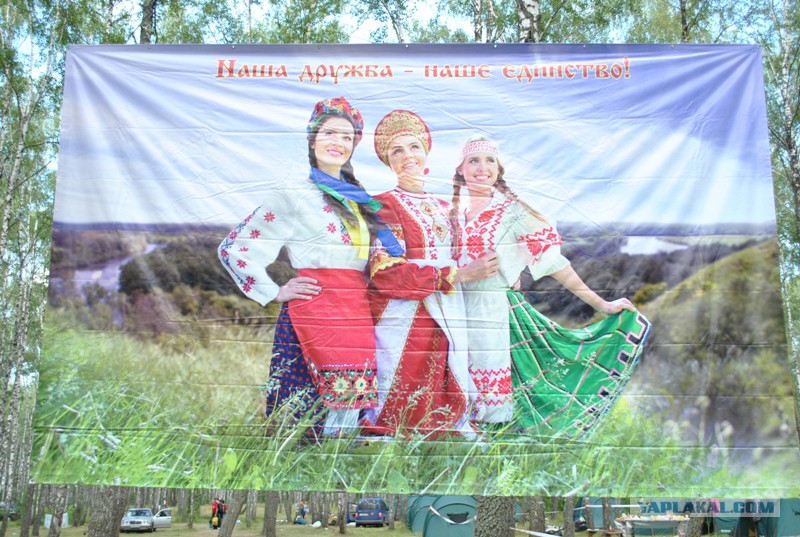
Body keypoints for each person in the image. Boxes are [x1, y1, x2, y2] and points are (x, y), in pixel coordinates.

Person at [218, 97, 403, 440]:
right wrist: (275, 290)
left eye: (346, 137)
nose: (338, 142)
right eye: (329, 133)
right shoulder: (294, 193)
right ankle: (302, 460)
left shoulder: (358, 198)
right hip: (314, 308)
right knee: (306, 409)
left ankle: (340, 458)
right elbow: (236, 247)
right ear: (312, 138)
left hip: (355, 309)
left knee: (350, 402)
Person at [450, 134, 652, 438]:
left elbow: (555, 264)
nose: (483, 167)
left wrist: (602, 304)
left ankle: (494, 458)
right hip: (453, 312)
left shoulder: (513, 213)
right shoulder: (452, 215)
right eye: (474, 160)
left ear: (499, 169)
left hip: (493, 314)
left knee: (491, 404)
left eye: (490, 160)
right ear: (461, 168)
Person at [362, 110, 498, 438]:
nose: (407, 156)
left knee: (447, 382)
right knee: (402, 389)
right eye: (397, 151)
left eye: (414, 147)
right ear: (388, 162)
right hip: (405, 314)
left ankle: (442, 438)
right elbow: (387, 272)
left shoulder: (447, 208)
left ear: (426, 153)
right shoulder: (383, 205)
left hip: (450, 308)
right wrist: (456, 276)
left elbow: (471, 253)